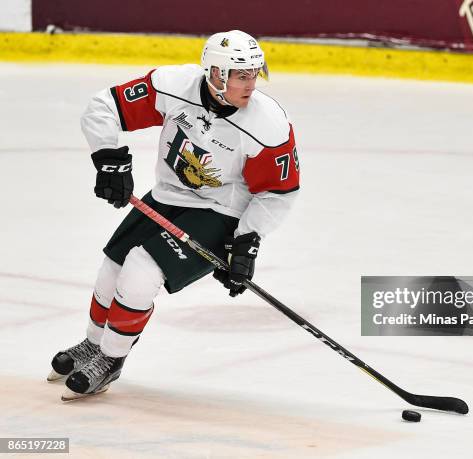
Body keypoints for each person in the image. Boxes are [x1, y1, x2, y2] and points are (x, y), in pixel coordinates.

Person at [47, 30, 300, 400]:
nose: (251, 84)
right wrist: (109, 161)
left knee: (140, 270)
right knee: (112, 267)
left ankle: (111, 359)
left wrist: (245, 241)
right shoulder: (172, 85)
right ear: (215, 74)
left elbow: (279, 192)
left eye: (254, 74)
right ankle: (92, 344)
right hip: (166, 195)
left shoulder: (268, 124)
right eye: (241, 75)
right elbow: (103, 107)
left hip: (220, 209)